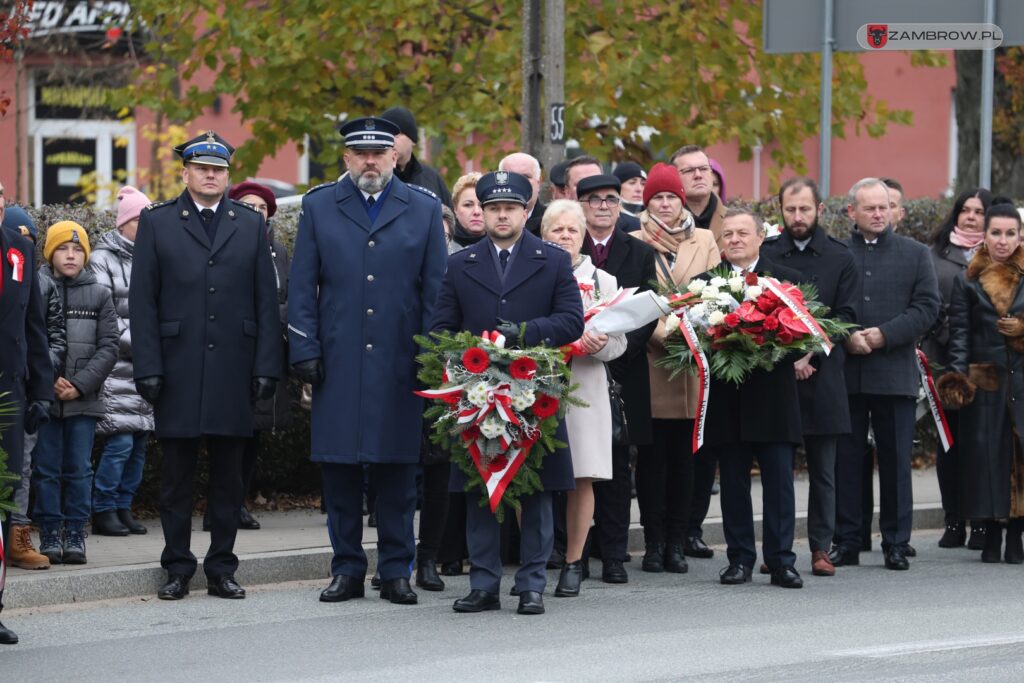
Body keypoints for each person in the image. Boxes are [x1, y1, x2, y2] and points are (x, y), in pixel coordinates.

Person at [288, 116, 446, 606]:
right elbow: (301, 288)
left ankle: (397, 571)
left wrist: (432, 359)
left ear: (395, 157)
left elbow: (434, 293)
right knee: (339, 474)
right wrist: (305, 349)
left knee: (398, 474)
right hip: (338, 361)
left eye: (380, 153)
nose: (371, 161)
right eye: (361, 153)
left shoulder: (422, 209)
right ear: (347, 158)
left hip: (401, 363)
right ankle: (348, 569)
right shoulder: (319, 206)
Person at [130, 131, 282, 601]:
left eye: (218, 169)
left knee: (228, 480)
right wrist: (148, 365)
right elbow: (143, 303)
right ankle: (177, 567)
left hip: (234, 369)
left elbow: (265, 302)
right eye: (202, 168)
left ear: (228, 175)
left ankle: (221, 569)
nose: (210, 175)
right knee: (175, 479)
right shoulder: (158, 222)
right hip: (176, 368)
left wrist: (266, 367)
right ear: (186, 172)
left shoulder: (249, 224)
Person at [431, 170, 584, 615]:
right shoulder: (461, 263)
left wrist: (523, 334)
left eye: (510, 208)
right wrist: (465, 353)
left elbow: (572, 321)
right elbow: (440, 327)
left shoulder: (552, 259)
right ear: (481, 212)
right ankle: (483, 583)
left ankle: (532, 583)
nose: (501, 215)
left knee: (534, 489)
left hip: (534, 390)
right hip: (478, 392)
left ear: (525, 212)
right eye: (492, 208)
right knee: (483, 487)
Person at [831, 178, 940, 571]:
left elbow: (928, 307)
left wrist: (883, 335)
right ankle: (847, 539)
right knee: (847, 461)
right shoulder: (838, 252)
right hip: (847, 374)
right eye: (870, 208)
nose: (878, 214)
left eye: (884, 207)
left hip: (893, 372)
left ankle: (896, 542)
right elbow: (821, 305)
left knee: (895, 462)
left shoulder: (915, 254)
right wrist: (847, 337)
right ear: (852, 212)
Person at [761, 177, 860, 577]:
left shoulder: (841, 257)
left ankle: (821, 548)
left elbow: (847, 317)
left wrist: (810, 354)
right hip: (777, 380)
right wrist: (790, 358)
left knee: (823, 472)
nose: (797, 217)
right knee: (777, 472)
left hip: (824, 378)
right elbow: (759, 314)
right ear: (780, 211)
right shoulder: (766, 254)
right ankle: (776, 549)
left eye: (804, 209)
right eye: (790, 209)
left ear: (820, 209)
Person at [703, 209, 806, 589]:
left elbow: (803, 337)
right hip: (728, 401)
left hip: (774, 398)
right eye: (727, 233)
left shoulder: (786, 282)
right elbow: (692, 340)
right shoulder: (704, 285)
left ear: (761, 237)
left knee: (779, 484)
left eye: (742, 233)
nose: (734, 239)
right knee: (732, 483)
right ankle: (739, 559)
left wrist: (767, 346)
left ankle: (781, 562)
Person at [633, 163, 720, 574]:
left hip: (689, 362)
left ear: (681, 200)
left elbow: (717, 294)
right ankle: (653, 542)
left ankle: (677, 540)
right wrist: (658, 332)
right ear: (647, 203)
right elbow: (630, 297)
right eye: (657, 198)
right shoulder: (633, 240)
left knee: (685, 460)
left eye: (671, 197)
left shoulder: (703, 239)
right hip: (650, 358)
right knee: (652, 460)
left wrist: (688, 331)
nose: (665, 204)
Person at [540, 199, 627, 597]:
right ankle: (537, 557)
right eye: (556, 230)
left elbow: (620, 345)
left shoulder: (604, 281)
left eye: (572, 230)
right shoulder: (530, 274)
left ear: (583, 237)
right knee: (533, 474)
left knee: (581, 475)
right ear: (543, 235)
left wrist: (600, 343)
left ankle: (574, 562)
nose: (564, 236)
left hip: (585, 385)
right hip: (537, 384)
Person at [577, 173, 657, 583]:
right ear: (582, 206)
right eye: (594, 200)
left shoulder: (640, 253)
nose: (604, 206)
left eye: (611, 199)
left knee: (617, 467)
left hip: (623, 371)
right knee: (577, 465)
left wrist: (616, 347)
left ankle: (613, 553)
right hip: (575, 370)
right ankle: (575, 550)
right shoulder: (567, 249)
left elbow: (647, 312)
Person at [938, 203, 1024, 563]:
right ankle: (989, 533)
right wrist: (958, 378)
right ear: (985, 236)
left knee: (1020, 458)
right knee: (986, 459)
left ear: (1020, 236)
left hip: (1022, 379)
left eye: (1009, 233)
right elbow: (960, 334)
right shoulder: (968, 279)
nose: (1002, 241)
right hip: (985, 379)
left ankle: (1017, 535)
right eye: (995, 233)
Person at [33, 221, 118, 564]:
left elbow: (109, 347)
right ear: (50, 253)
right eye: (63, 249)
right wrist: (47, 379)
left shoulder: (99, 294)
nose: (71, 255)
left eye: (78, 249)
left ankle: (75, 534)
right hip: (46, 399)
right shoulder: (35, 290)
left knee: (79, 468)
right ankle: (50, 531)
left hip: (84, 401)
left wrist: (81, 384)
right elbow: (31, 340)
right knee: (47, 468)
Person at [924, 188, 992, 550]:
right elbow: (926, 302)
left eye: (978, 212)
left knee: (981, 444)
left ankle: (981, 521)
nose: (970, 217)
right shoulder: (935, 255)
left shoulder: (1001, 254)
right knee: (949, 444)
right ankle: (954, 520)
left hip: (986, 362)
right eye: (964, 210)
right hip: (943, 360)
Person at [0, 184, 54, 645]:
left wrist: (41, 389)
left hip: (8, 397)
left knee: (0, 505)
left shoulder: (19, 249)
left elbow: (33, 326)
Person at [224, 180, 293, 532]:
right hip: (234, 351)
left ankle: (239, 502)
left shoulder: (278, 251)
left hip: (268, 351)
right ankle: (223, 504)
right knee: (232, 431)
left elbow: (287, 299)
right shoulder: (223, 246)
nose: (256, 213)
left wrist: (272, 317)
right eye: (248, 206)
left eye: (262, 208)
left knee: (256, 432)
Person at [89, 186, 156, 537]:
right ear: (125, 222)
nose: (146, 225)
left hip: (144, 366)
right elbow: (105, 315)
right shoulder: (102, 258)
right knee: (121, 442)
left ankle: (124, 506)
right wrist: (146, 342)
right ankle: (103, 509)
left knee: (141, 441)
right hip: (117, 368)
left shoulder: (152, 255)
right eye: (139, 219)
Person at [3, 207, 66, 570]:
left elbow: (38, 332)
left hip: (17, 390)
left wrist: (42, 387)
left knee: (17, 472)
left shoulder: (26, 265)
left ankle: (16, 533)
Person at [380, 106, 452, 207]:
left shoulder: (431, 179)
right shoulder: (373, 176)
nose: (391, 140)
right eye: (386, 135)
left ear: (413, 140)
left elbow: (449, 218)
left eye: (397, 134)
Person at [565, 155, 641, 232]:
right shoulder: (556, 227)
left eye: (596, 181)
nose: (590, 188)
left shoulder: (635, 227)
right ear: (567, 192)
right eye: (581, 184)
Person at [670, 145, 727, 243]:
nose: (698, 175)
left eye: (703, 168)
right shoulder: (655, 222)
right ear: (673, 177)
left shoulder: (734, 221)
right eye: (689, 170)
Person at [500, 152, 547, 235]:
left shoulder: (552, 222)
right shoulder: (487, 221)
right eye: (512, 176)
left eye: (526, 177)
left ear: (538, 183)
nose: (519, 183)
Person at [450, 172, 486, 250]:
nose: (476, 212)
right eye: (468, 205)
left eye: (482, 205)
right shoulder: (441, 245)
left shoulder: (504, 246)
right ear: (455, 208)